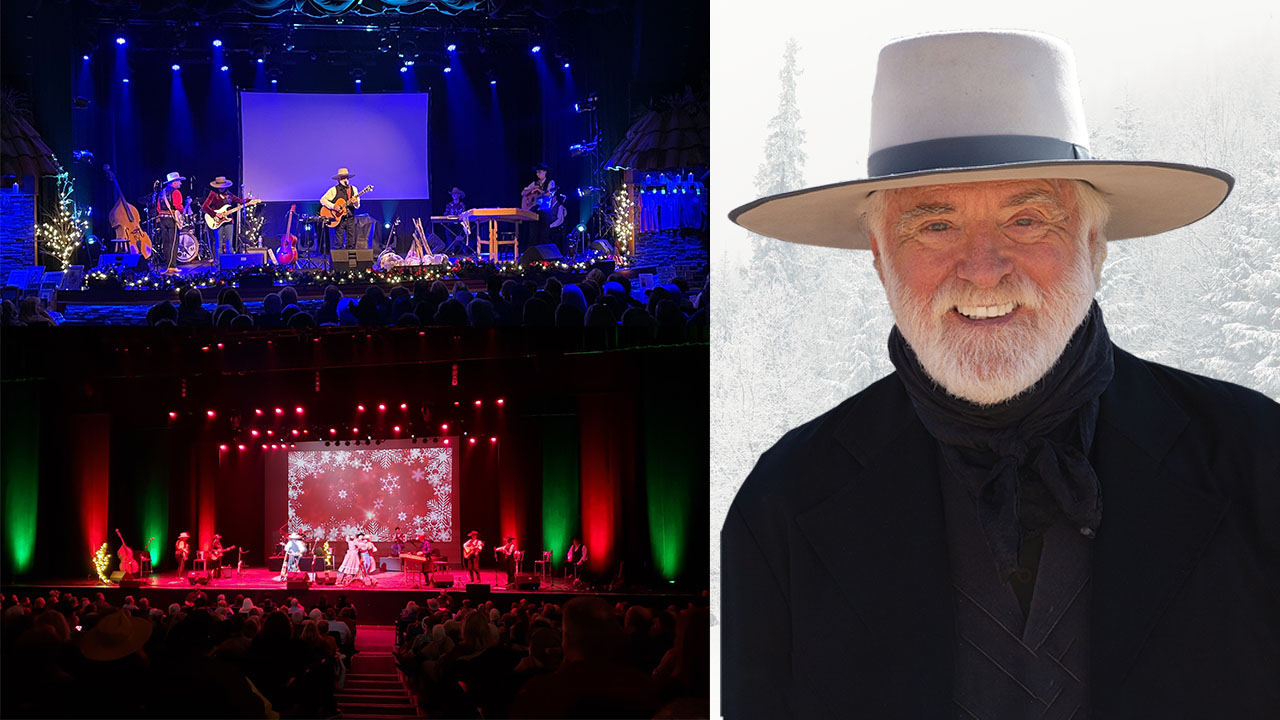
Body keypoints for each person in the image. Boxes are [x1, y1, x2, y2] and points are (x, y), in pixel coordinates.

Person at [722, 30, 1280, 718]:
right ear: (877, 256)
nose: (983, 268)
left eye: (1026, 218)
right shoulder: (780, 507)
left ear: (1094, 244)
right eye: (935, 226)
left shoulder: (1262, 462)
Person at [320, 168, 364, 251]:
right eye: (343, 178)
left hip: (350, 218)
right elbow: (323, 200)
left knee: (351, 241)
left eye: (346, 177)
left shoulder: (353, 189)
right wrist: (333, 206)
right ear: (339, 179)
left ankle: (350, 261)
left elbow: (357, 206)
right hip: (338, 219)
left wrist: (355, 202)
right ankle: (338, 262)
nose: (345, 179)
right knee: (338, 242)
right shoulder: (334, 190)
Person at [201, 176, 246, 256]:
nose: (221, 189)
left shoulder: (229, 195)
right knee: (219, 246)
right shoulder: (213, 194)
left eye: (223, 187)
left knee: (230, 246)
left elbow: (239, 201)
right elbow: (204, 207)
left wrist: (250, 200)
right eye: (219, 187)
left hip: (228, 221)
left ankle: (230, 266)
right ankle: (218, 266)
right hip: (217, 221)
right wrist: (215, 214)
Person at [155, 171, 186, 275]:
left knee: (166, 243)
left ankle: (168, 264)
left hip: (163, 219)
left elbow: (158, 207)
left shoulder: (162, 192)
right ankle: (172, 266)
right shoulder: (176, 192)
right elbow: (178, 206)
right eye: (179, 181)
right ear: (174, 182)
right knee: (173, 243)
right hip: (171, 219)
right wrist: (182, 209)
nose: (180, 183)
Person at [521, 163, 556, 248]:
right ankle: (532, 251)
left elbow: (549, 194)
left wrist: (540, 191)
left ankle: (544, 253)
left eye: (539, 172)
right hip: (534, 209)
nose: (537, 174)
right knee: (533, 232)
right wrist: (532, 190)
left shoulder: (550, 182)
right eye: (537, 172)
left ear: (545, 172)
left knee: (544, 233)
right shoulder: (534, 183)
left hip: (544, 209)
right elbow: (523, 193)